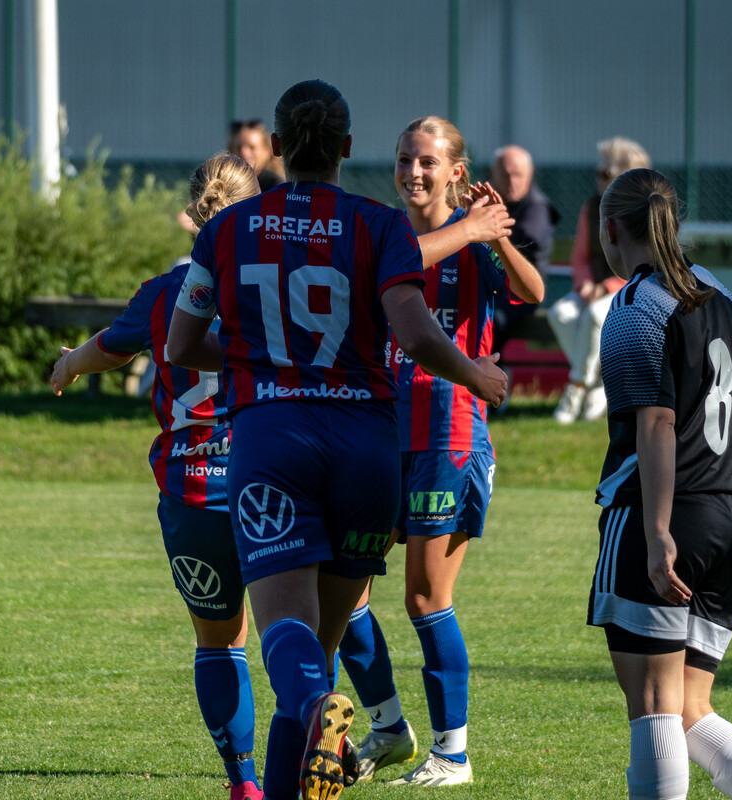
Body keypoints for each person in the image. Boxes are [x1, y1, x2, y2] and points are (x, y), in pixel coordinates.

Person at [167, 80, 507, 800]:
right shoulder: (379, 225)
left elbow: (181, 345)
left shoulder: (226, 230)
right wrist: (477, 374)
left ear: (276, 148)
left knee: (286, 639)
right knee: (316, 651)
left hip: (274, 443)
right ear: (348, 146)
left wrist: (257, 356)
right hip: (367, 451)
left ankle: (325, 704)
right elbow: (416, 334)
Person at [49, 153, 265, 800]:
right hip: (269, 480)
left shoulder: (165, 292)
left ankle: (245, 783)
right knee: (304, 627)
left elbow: (109, 349)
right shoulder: (271, 284)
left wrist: (70, 366)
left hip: (192, 488)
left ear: (193, 213)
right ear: (257, 209)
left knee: (220, 644)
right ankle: (320, 744)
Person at [338, 117, 545, 787]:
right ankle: (388, 728)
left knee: (426, 598)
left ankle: (452, 754)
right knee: (341, 592)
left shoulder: (475, 239)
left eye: (427, 161)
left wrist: (497, 233)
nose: (412, 172)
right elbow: (386, 270)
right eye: (405, 159)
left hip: (446, 434)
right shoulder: (385, 233)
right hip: (378, 432)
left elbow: (533, 292)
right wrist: (470, 228)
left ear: (456, 171)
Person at [587, 168, 732, 800]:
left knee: (655, 706)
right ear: (672, 222)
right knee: (689, 709)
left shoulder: (634, 307)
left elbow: (654, 422)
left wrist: (659, 533)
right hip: (728, 520)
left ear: (609, 230)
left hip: (660, 516)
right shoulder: (721, 294)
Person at [549, 137, 650, 424]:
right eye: (598, 172)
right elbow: (579, 256)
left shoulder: (642, 210)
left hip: (632, 289)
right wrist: (584, 284)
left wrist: (606, 287)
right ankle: (599, 383)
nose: (599, 179)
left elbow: (644, 262)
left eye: (605, 173)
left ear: (626, 175)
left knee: (594, 315)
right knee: (561, 314)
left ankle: (576, 388)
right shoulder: (592, 207)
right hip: (592, 287)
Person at [487, 145, 558, 357]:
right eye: (506, 175)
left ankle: (488, 370)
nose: (512, 181)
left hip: (522, 293)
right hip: (492, 288)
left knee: (492, 319)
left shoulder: (537, 207)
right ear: (493, 173)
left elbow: (528, 240)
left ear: (530, 174)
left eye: (518, 175)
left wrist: (488, 234)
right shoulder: (485, 201)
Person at [228, 119, 285, 191]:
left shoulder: (276, 187)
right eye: (238, 148)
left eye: (252, 147)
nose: (243, 152)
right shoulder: (225, 185)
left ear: (268, 151)